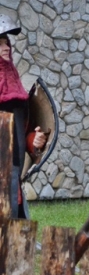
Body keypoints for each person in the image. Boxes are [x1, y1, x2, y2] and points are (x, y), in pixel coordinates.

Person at [0, 15, 47, 219]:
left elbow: (23, 132)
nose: (6, 48)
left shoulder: (17, 92)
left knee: (16, 231)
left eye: (6, 43)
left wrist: (34, 141)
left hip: (12, 180)